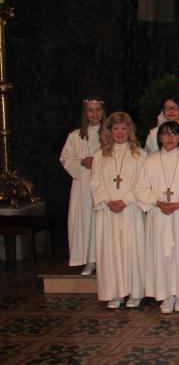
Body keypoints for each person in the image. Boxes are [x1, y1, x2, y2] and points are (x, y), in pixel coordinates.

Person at [135, 121, 179, 314]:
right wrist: (158, 202)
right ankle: (166, 295)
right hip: (159, 214)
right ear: (159, 137)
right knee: (162, 255)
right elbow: (140, 188)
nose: (169, 138)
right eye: (165, 134)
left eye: (174, 134)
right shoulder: (151, 160)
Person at [90, 112, 146, 309]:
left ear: (129, 130)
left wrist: (125, 200)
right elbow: (95, 182)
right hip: (108, 212)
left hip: (129, 210)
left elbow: (143, 182)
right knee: (110, 251)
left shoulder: (139, 154)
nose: (120, 133)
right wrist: (107, 200)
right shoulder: (99, 156)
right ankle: (114, 292)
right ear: (109, 131)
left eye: (124, 128)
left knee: (132, 249)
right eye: (116, 129)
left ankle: (134, 292)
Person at [60, 97, 106, 275]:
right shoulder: (75, 136)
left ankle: (102, 258)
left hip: (102, 184)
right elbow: (66, 158)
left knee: (100, 220)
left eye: (97, 110)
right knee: (85, 220)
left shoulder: (109, 134)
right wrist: (82, 163)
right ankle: (89, 259)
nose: (94, 114)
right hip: (83, 185)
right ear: (85, 113)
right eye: (90, 110)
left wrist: (98, 161)